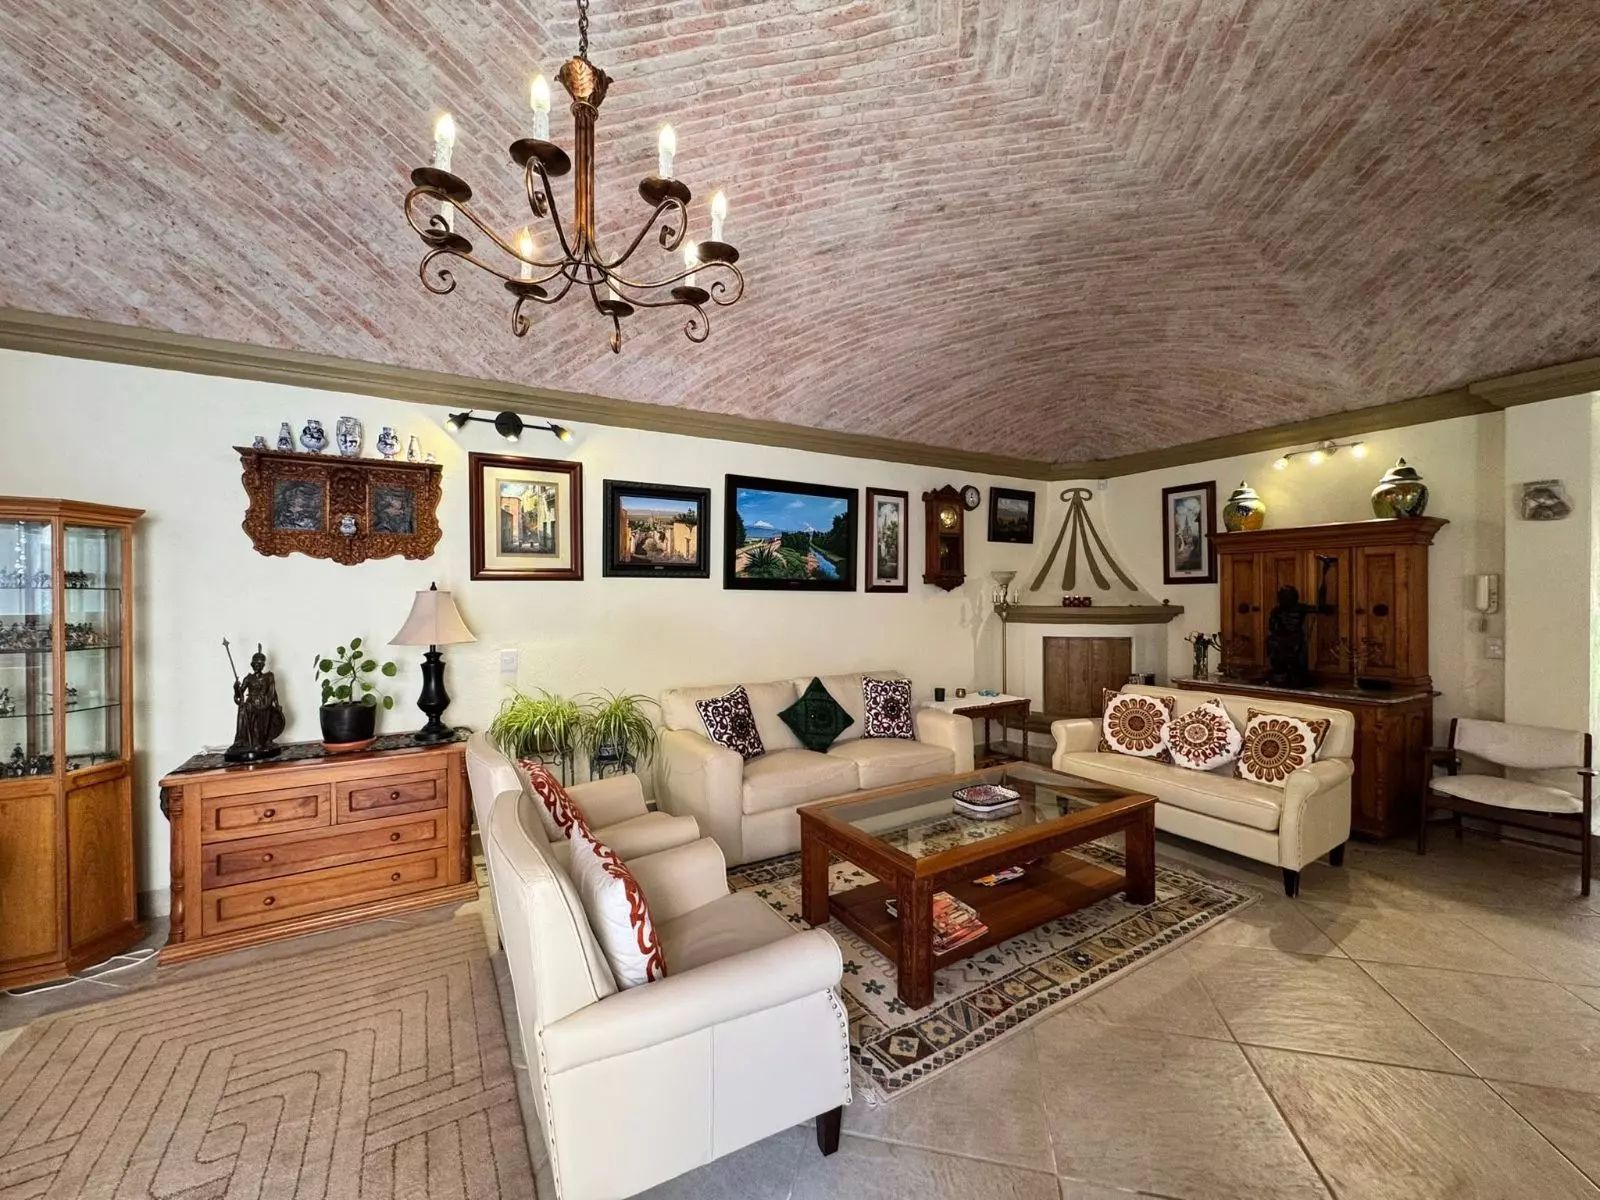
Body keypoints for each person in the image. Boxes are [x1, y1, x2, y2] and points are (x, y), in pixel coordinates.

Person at [227, 645, 286, 761]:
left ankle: (262, 741)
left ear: (263, 665)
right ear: (252, 665)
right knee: (244, 710)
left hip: (265, 705)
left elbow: (273, 692)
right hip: (252, 705)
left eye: (260, 664)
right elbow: (239, 696)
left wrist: (277, 704)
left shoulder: (268, 677)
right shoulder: (248, 679)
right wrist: (236, 688)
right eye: (255, 664)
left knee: (264, 718)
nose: (257, 666)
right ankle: (242, 741)